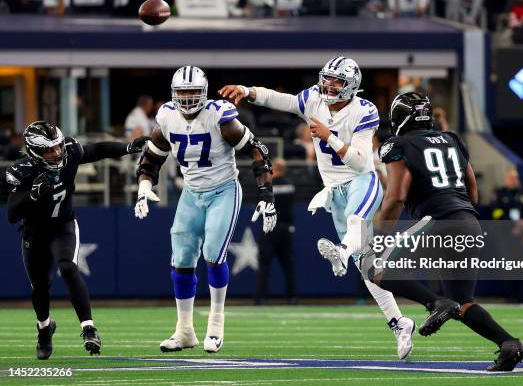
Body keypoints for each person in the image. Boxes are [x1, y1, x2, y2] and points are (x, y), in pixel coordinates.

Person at [219, 57, 416, 360]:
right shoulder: (313, 99)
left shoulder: (364, 110)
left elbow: (363, 162)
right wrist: (247, 90)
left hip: (362, 181)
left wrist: (329, 137)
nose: (329, 85)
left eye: (336, 81)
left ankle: (341, 251)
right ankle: (400, 323)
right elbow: (279, 99)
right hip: (334, 190)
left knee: (355, 220)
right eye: (328, 78)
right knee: (367, 265)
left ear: (350, 85)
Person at [364, 92, 523, 371]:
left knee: (376, 269)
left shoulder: (399, 144)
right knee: (464, 304)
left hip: (436, 219)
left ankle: (436, 303)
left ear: (400, 119)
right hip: (469, 222)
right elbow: (473, 191)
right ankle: (509, 344)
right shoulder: (452, 139)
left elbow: (396, 196)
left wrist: (381, 231)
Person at [134, 66, 277, 354]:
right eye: (182, 93)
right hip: (191, 192)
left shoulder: (219, 116)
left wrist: (266, 193)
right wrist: (143, 187)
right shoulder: (167, 117)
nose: (187, 98)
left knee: (213, 251)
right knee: (182, 257)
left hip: (224, 189)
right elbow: (151, 160)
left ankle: (215, 323)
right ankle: (184, 330)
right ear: (174, 94)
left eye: (192, 92)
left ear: (204, 93)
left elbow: (256, 149)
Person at [5, 121, 148, 360]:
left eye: (58, 146)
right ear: (35, 151)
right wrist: (31, 195)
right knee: (40, 288)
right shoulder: (21, 170)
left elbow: (96, 150)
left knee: (68, 266)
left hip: (63, 225)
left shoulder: (69, 151)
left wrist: (129, 147)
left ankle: (89, 328)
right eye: (49, 150)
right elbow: (11, 214)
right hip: (34, 232)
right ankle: (44, 328)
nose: (57, 153)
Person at [255, 158, 297, 304]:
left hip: (270, 230)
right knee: (288, 266)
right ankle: (291, 297)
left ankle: (261, 298)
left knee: (264, 266)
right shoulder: (291, 186)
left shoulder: (267, 187)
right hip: (285, 229)